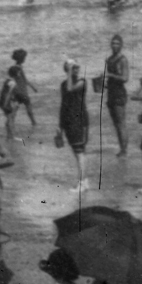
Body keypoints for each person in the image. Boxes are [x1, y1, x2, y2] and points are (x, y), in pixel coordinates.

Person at [56, 62, 90, 191]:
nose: (76, 69)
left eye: (76, 67)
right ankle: (84, 181)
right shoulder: (63, 84)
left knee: (80, 152)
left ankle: (82, 183)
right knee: (78, 153)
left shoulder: (82, 82)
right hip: (69, 120)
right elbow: (63, 104)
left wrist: (69, 72)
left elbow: (70, 89)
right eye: (72, 68)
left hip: (79, 120)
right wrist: (60, 125)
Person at [102, 36, 131, 157]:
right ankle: (122, 148)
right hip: (111, 93)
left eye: (117, 44)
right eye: (113, 43)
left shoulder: (123, 60)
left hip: (119, 94)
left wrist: (111, 76)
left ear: (121, 45)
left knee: (121, 123)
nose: (114, 45)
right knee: (116, 124)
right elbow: (111, 77)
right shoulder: (109, 59)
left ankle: (124, 150)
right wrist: (104, 83)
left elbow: (125, 78)